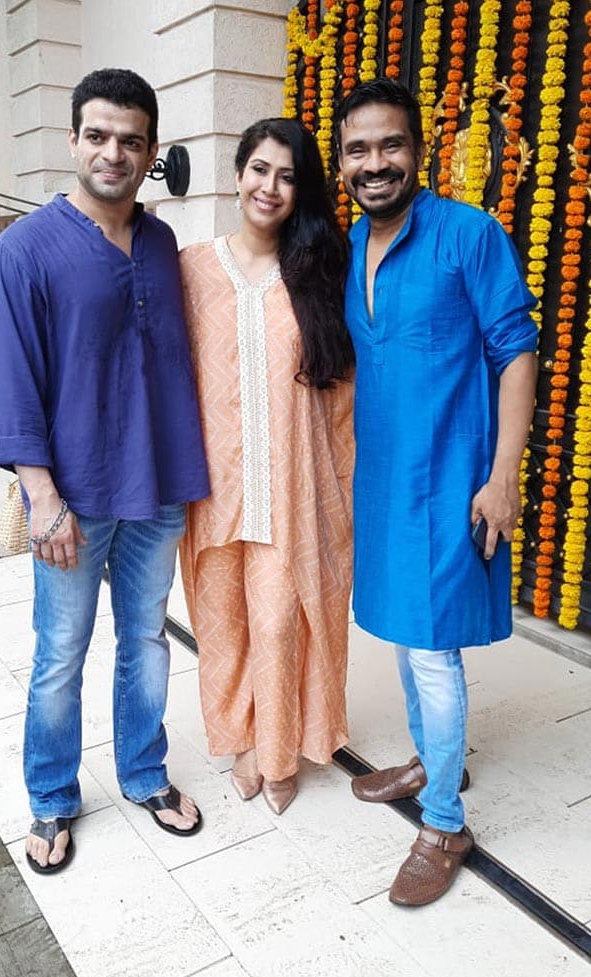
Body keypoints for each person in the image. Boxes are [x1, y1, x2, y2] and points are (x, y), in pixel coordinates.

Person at [0, 68, 210, 874]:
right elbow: (9, 381)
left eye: (131, 140)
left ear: (151, 153)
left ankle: (144, 773)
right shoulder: (24, 250)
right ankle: (50, 797)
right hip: (73, 494)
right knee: (60, 652)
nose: (115, 152)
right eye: (99, 135)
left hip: (157, 486)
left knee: (144, 640)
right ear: (73, 139)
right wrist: (41, 497)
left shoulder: (160, 242)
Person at [337, 78, 538, 905]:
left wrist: (503, 478)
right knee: (401, 633)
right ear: (343, 161)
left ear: (418, 151)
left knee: (431, 647)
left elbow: (517, 352)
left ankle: (445, 819)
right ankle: (432, 759)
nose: (375, 163)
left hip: (453, 480)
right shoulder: (350, 245)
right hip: (383, 479)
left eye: (390, 145)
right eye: (358, 149)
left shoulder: (469, 235)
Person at [178, 118, 355, 815]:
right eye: (259, 169)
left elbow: (342, 396)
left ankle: (278, 754)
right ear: (238, 173)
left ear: (300, 188)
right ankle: (243, 737)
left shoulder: (317, 275)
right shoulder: (193, 269)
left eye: (286, 175)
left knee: (280, 622)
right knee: (223, 625)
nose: (270, 186)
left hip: (290, 490)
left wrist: (341, 487)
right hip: (215, 489)